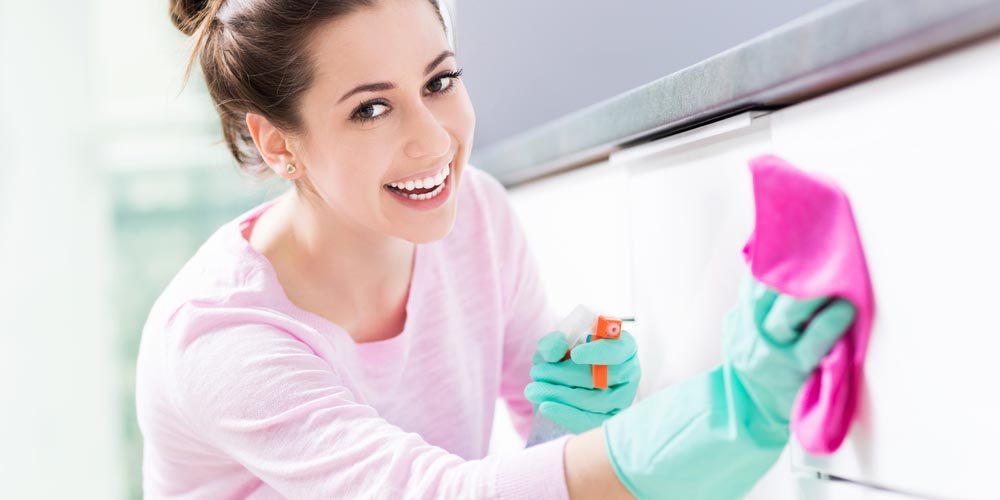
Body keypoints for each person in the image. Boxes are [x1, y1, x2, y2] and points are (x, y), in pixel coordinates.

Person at [135, 0, 857, 498]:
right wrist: (722, 416)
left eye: (440, 81)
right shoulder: (221, 336)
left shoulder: (473, 215)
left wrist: (567, 416)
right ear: (278, 143)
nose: (436, 140)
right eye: (371, 108)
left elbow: (537, 458)